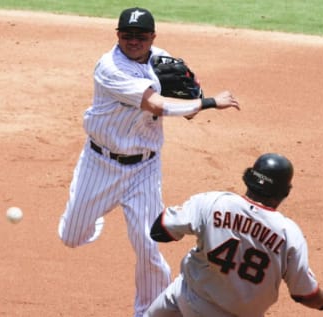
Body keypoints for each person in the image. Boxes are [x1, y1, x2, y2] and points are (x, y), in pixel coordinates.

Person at [57, 7, 240, 317]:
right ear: (117, 35)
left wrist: (195, 95)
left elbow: (189, 106)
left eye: (140, 36)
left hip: (144, 168)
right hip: (99, 164)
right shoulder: (109, 67)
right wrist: (210, 102)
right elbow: (154, 103)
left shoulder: (162, 60)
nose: (133, 41)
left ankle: (148, 312)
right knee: (71, 237)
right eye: (126, 35)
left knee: (148, 244)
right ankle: (95, 210)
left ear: (152, 37)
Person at [145, 153, 323, 317]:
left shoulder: (212, 202)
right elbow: (305, 295)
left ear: (248, 178)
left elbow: (160, 230)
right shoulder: (289, 235)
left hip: (187, 299)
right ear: (284, 193)